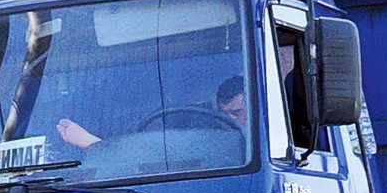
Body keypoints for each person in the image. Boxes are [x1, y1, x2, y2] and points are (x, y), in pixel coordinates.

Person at [57, 76, 247, 150]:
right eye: (224, 114)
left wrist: (93, 146)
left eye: (237, 112)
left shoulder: (268, 141)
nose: (228, 121)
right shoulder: (196, 133)